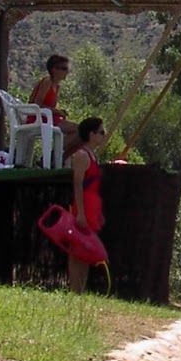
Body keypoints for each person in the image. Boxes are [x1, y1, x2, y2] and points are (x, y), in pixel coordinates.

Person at [68, 116, 108, 294]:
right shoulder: (81, 155)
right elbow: (77, 184)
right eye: (101, 132)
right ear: (91, 134)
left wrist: (98, 213)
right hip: (83, 205)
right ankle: (74, 289)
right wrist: (80, 213)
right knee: (76, 249)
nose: (103, 135)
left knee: (86, 249)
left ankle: (81, 289)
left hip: (92, 205)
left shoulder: (92, 155)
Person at [28, 54, 71, 127]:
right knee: (77, 129)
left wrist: (60, 112)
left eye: (67, 69)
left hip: (49, 118)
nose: (67, 72)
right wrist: (57, 111)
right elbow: (37, 104)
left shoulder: (57, 86)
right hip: (38, 118)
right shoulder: (47, 82)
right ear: (54, 69)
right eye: (64, 68)